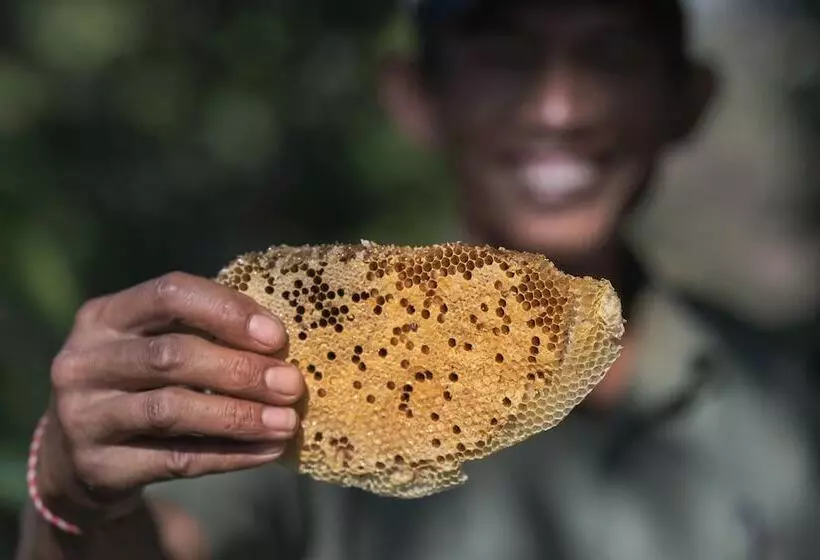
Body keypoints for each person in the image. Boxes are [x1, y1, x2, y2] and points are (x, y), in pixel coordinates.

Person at [15, 0, 820, 558]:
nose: (559, 106)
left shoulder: (793, 406)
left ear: (687, 99)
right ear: (414, 97)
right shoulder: (291, 365)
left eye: (612, 51)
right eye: (504, 54)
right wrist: (77, 500)